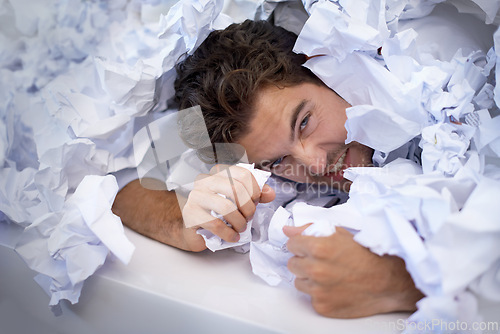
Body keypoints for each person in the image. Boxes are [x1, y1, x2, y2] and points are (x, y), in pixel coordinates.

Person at [112, 19, 426, 318]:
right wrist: (187, 222)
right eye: (277, 161)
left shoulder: (438, 81)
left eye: (304, 123)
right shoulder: (279, 181)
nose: (315, 165)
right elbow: (118, 188)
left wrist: (397, 283)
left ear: (324, 69)